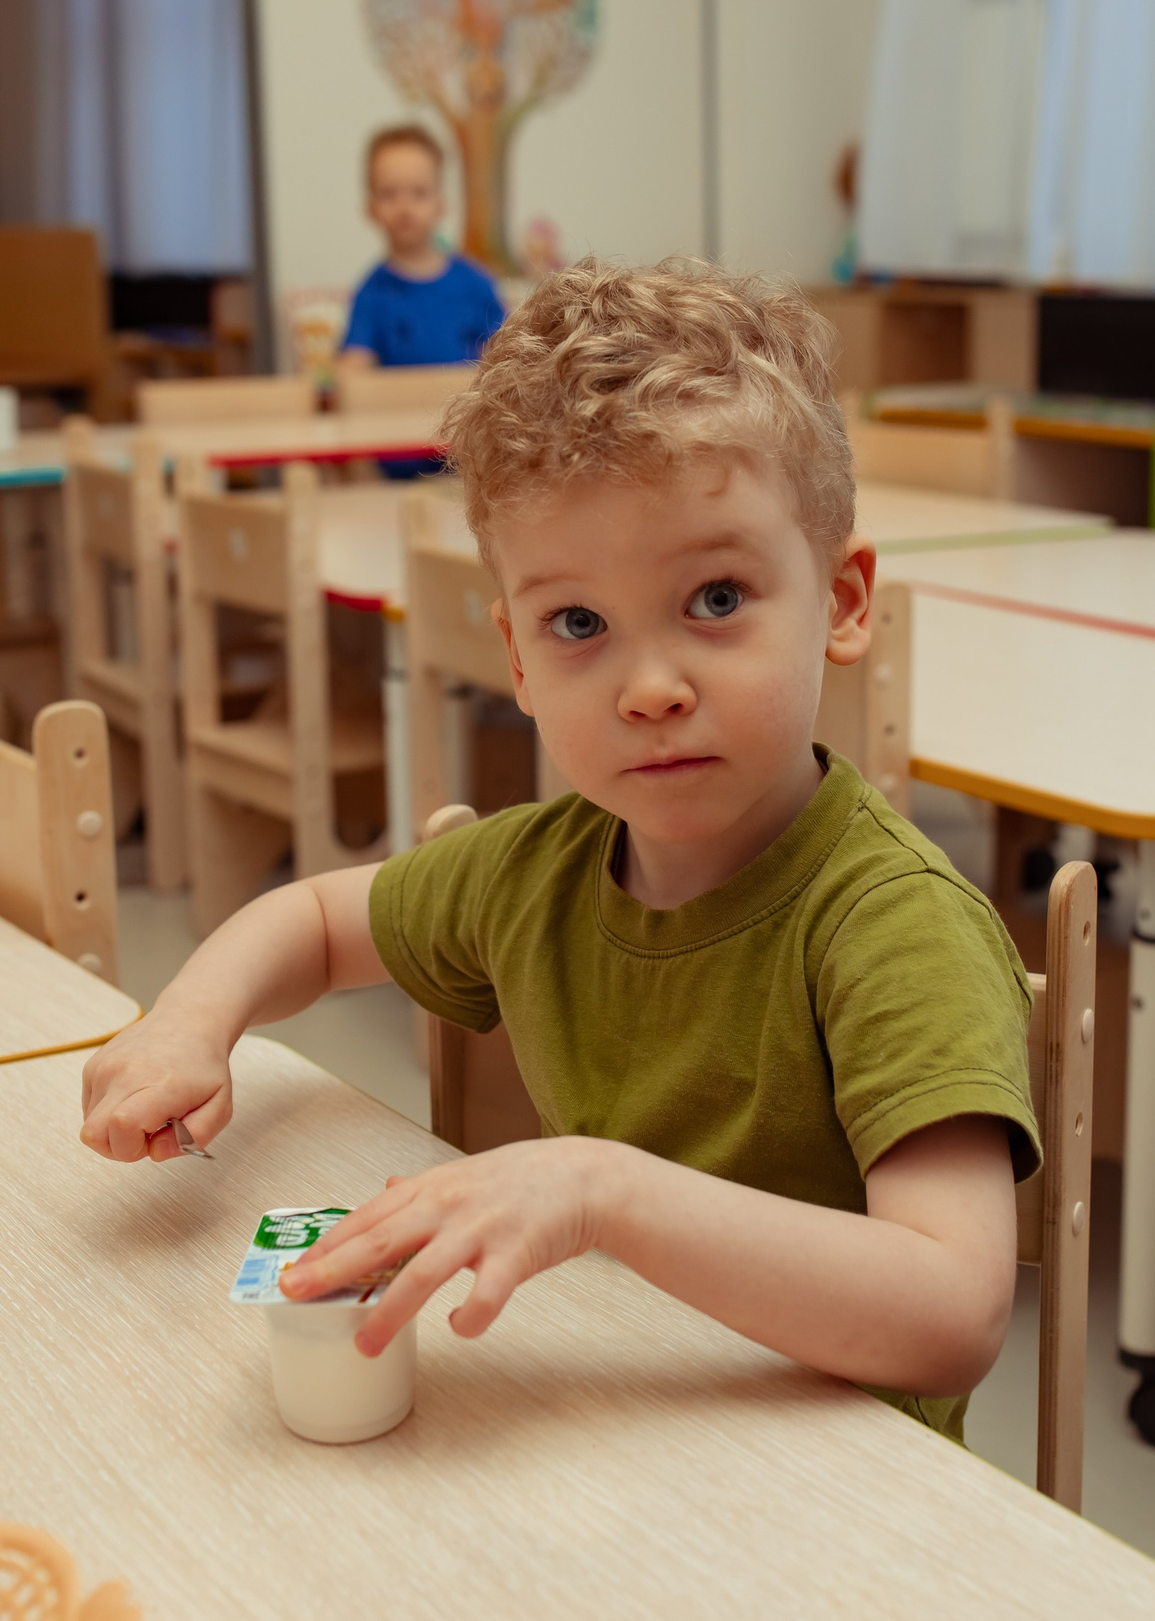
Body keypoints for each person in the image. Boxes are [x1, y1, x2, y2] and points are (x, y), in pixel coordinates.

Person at [80, 257, 1036, 1439]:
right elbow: (316, 923)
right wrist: (187, 1023)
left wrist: (600, 1189)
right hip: (614, 1428)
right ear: (517, 659)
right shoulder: (536, 870)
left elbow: (952, 1312)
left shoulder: (895, 924)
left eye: (717, 598)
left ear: (842, 603)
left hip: (835, 1494)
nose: (647, 687)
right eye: (577, 623)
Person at [339, 123, 507, 374]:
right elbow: (354, 364)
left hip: (467, 409)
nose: (404, 206)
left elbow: (506, 357)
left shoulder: (476, 285)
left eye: (419, 193)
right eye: (389, 194)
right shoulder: (371, 294)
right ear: (370, 207)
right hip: (399, 410)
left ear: (441, 203)